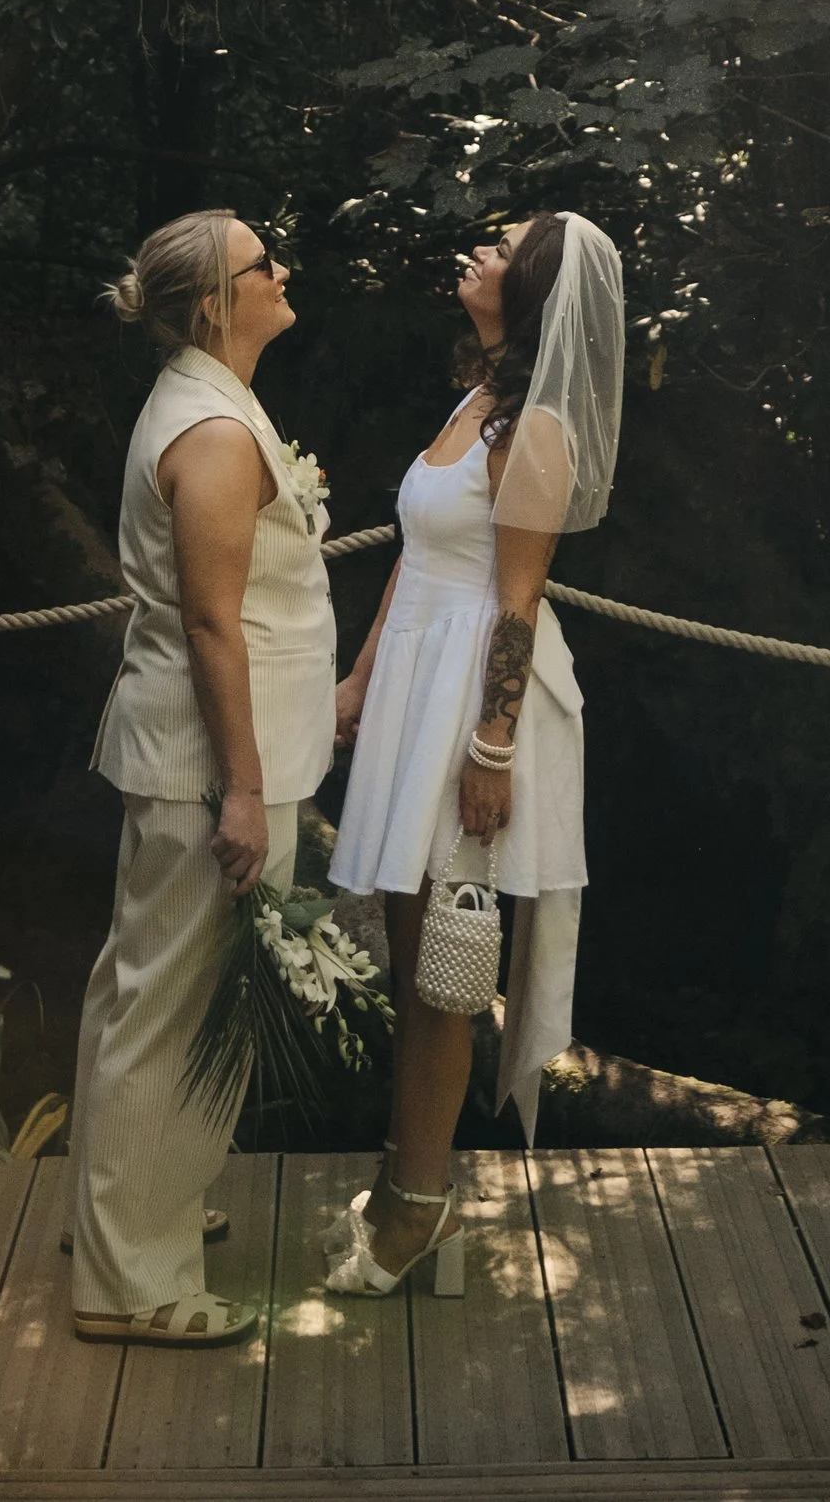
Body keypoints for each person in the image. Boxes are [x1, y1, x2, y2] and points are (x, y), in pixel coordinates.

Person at [324, 208, 626, 1296]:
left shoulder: (535, 430)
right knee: (411, 967)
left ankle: (420, 1209)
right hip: (412, 682)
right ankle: (406, 1181)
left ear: (531, 289)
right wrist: (360, 677)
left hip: (474, 705)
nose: (474, 253)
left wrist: (490, 748)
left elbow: (515, 605)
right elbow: (415, 556)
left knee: (443, 978)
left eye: (499, 248)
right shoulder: (475, 399)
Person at [66, 208, 338, 1346]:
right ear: (218, 302)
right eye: (262, 263)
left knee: (141, 989)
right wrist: (241, 787)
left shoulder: (208, 397)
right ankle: (130, 1285)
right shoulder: (216, 435)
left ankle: (128, 1214)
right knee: (171, 1010)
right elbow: (216, 626)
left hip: (211, 743)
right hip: (211, 760)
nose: (284, 272)